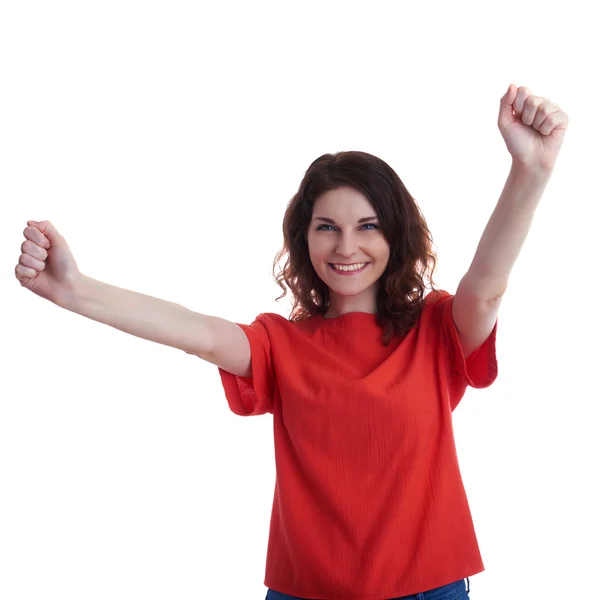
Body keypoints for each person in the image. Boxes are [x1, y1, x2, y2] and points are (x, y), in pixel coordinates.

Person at [14, 83, 568, 600]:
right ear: (304, 237)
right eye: (327, 226)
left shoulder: (435, 330)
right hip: (305, 591)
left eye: (368, 225)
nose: (346, 244)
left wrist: (531, 169)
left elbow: (488, 290)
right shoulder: (280, 344)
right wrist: (75, 291)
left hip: (429, 588)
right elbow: (197, 333)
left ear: (395, 236)